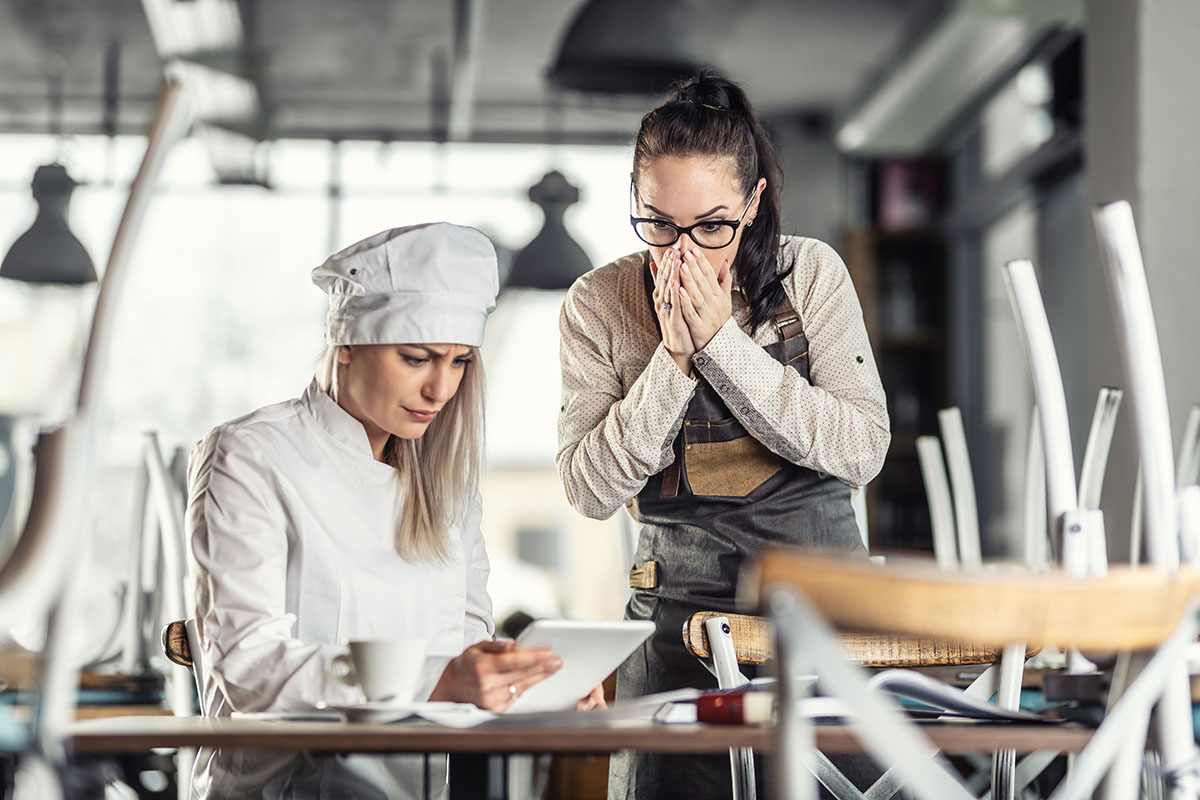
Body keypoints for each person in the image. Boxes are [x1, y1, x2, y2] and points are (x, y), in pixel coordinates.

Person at [556, 72, 891, 798]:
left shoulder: (811, 276)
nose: (685, 253)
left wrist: (721, 347)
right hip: (678, 627)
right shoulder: (599, 304)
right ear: (635, 205)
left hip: (827, 624)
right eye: (659, 225)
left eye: (713, 226)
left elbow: (863, 446)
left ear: (753, 203)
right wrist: (672, 362)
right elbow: (588, 488)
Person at [186, 222, 602, 799]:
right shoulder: (251, 456)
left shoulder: (449, 483)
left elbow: (465, 647)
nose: (440, 388)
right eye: (417, 358)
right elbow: (249, 669)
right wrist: (440, 680)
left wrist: (534, 687)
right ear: (347, 343)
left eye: (459, 362)